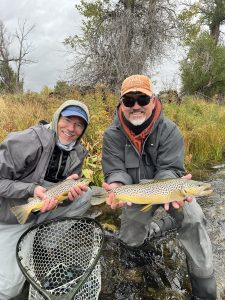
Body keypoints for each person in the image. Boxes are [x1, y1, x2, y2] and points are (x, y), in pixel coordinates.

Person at [101, 75, 217, 300]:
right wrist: (116, 186)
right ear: (121, 104)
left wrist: (169, 185)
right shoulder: (111, 135)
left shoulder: (169, 130)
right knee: (130, 240)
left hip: (168, 192)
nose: (136, 106)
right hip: (137, 194)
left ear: (153, 101)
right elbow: (115, 170)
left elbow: (171, 168)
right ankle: (158, 227)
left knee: (193, 217)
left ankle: (205, 287)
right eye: (129, 100)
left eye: (142, 99)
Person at [0, 99, 92, 300]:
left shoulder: (77, 152)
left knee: (87, 195)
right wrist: (31, 189)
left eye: (79, 124)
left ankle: (41, 242)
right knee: (9, 289)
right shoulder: (28, 140)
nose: (71, 128)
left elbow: (62, 198)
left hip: (39, 210)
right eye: (67, 120)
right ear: (57, 117)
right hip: (7, 216)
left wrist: (68, 198)